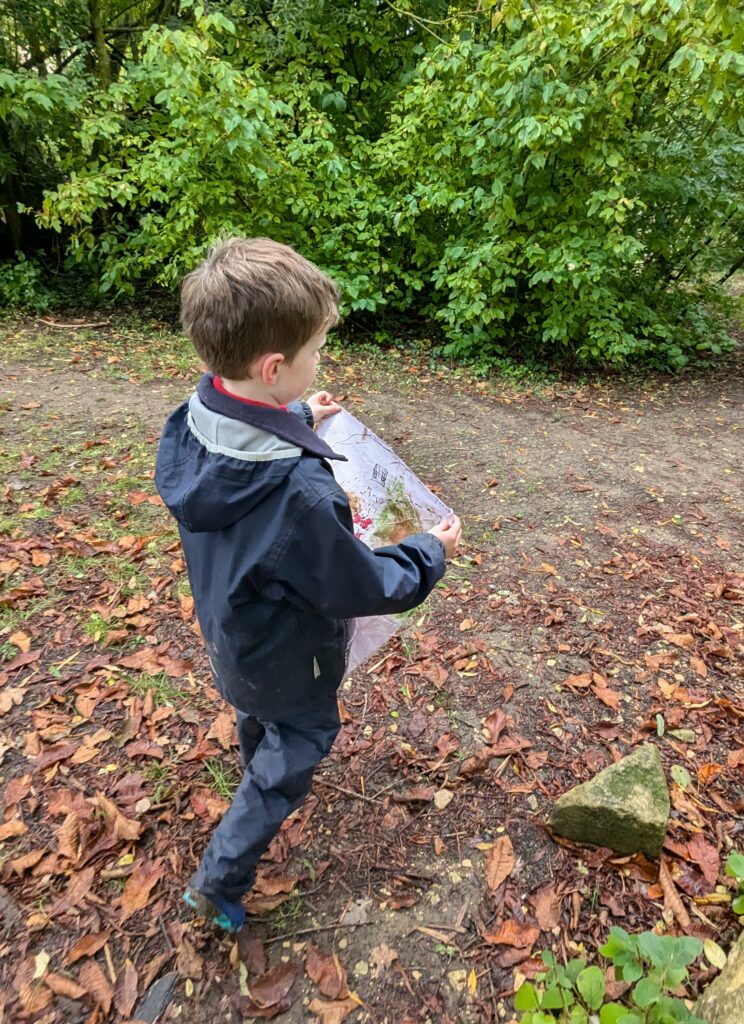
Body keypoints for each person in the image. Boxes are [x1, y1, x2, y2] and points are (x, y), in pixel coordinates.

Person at [155, 237, 462, 932]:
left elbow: (243, 432)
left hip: (232, 634)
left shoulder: (193, 420)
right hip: (290, 656)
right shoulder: (296, 494)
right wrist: (426, 552)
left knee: (256, 714)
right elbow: (357, 583)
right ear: (273, 367)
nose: (320, 359)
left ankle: (254, 772)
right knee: (298, 740)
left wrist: (294, 416)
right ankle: (220, 877)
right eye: (315, 350)